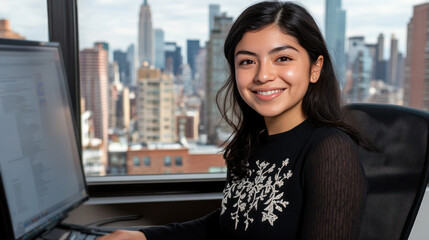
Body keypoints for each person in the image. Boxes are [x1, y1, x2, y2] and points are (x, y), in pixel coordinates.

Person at [98, 1, 369, 239]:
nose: (263, 75)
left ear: (315, 68)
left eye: (282, 58)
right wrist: (145, 237)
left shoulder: (331, 150)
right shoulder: (251, 143)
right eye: (247, 62)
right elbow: (231, 224)